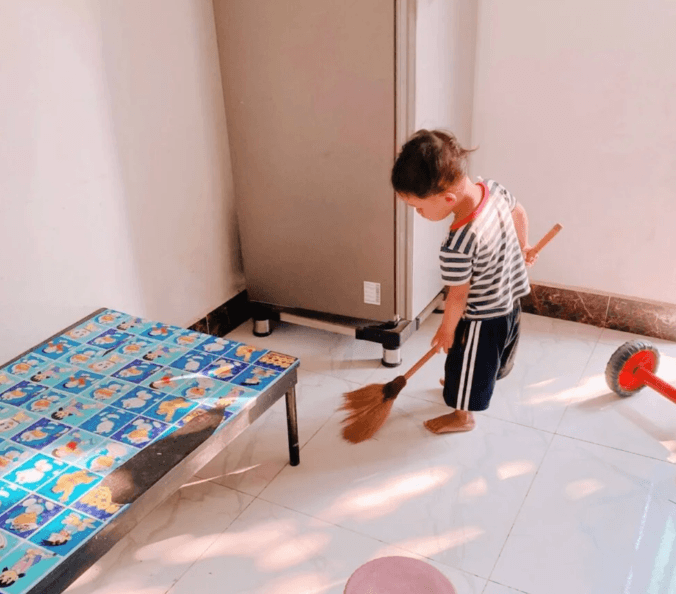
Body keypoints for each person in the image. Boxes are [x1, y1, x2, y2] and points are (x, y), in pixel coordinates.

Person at [391, 129, 538, 434]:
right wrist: (524, 246)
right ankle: (471, 378)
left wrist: (446, 330)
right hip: (510, 301)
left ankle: (462, 415)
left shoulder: (457, 244)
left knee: (469, 357)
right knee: (486, 361)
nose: (418, 214)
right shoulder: (494, 190)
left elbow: (458, 296)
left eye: (418, 207)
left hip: (483, 317)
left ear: (446, 198)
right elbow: (519, 212)